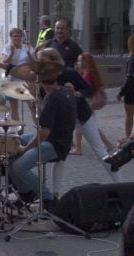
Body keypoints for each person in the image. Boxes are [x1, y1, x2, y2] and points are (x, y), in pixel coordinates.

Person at [38, 48, 123, 188]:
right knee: (60, 157)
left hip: (81, 116)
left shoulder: (69, 73)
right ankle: (55, 195)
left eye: (42, 60)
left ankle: (121, 185)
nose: (39, 63)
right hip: (61, 121)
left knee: (100, 151)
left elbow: (89, 90)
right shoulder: (42, 77)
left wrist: (76, 93)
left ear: (53, 60)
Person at [9, 62, 76, 211]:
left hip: (55, 144)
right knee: (13, 143)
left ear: (38, 81)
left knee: (19, 166)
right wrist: (33, 100)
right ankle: (26, 193)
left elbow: (43, 131)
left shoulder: (53, 98)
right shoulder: (64, 91)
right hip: (57, 138)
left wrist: (25, 149)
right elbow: (42, 121)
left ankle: (48, 199)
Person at [71, 52, 114, 155]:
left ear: (86, 61)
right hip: (88, 102)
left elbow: (86, 89)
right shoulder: (89, 72)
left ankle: (80, 148)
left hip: (87, 103)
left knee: (85, 125)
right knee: (81, 125)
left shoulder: (87, 73)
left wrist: (77, 92)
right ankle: (79, 147)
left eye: (80, 60)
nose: (78, 62)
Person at [0, 28, 35, 120]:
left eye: (19, 36)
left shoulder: (27, 47)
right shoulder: (7, 47)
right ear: (11, 37)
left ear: (22, 37)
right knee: (14, 106)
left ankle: (37, 128)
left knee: (32, 106)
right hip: (12, 78)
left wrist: (29, 53)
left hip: (26, 78)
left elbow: (34, 62)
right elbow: (5, 61)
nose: (17, 38)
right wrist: (12, 53)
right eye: (14, 36)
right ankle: (17, 129)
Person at [118, 36, 134, 140]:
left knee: (129, 116)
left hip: (131, 90)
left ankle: (128, 137)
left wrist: (121, 92)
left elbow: (129, 77)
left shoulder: (132, 58)